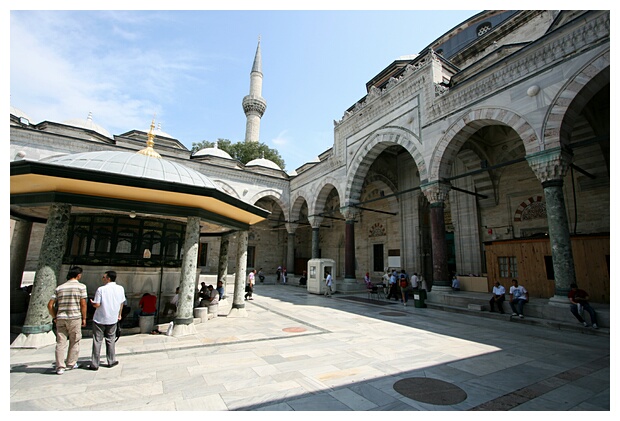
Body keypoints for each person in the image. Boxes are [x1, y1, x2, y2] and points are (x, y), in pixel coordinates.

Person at [47, 266, 87, 375]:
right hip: (74, 317)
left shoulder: (60, 288)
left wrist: (54, 316)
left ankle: (60, 366)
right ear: (78, 275)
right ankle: (71, 363)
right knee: (75, 341)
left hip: (61, 317)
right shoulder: (81, 287)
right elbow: (83, 304)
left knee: (60, 342)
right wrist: (84, 317)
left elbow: (50, 305)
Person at [89, 270, 126, 371]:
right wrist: (119, 314)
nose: (103, 278)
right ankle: (111, 360)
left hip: (100, 318)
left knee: (97, 340)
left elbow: (97, 304)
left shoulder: (101, 289)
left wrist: (92, 303)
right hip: (112, 318)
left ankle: (94, 363)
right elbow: (121, 303)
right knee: (110, 340)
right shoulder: (120, 288)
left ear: (108, 278)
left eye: (104, 277)